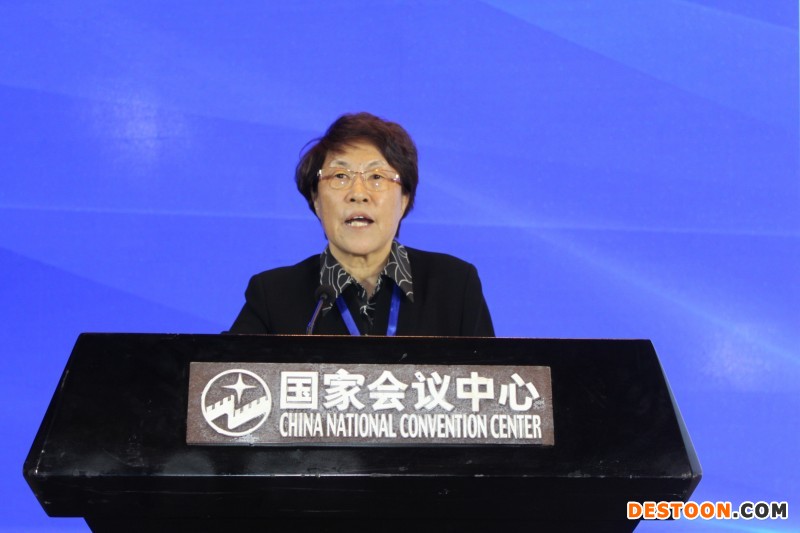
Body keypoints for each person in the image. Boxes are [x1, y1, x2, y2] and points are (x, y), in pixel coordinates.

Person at [229, 112, 494, 336]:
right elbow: (222, 374)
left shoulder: (454, 286)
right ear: (316, 200)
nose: (358, 193)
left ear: (404, 199)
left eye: (376, 177)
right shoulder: (273, 295)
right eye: (340, 176)